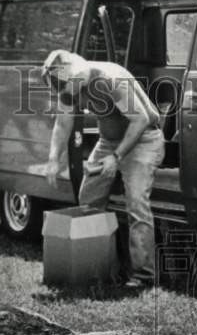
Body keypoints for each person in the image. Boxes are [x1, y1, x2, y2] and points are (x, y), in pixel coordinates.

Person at [43, 50, 165, 289]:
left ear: (79, 77)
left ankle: (144, 275)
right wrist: (53, 158)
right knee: (88, 199)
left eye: (71, 91)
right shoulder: (64, 81)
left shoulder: (107, 80)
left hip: (144, 139)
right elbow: (63, 122)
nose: (69, 97)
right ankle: (97, 264)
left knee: (136, 203)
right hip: (109, 141)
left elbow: (140, 120)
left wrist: (116, 158)